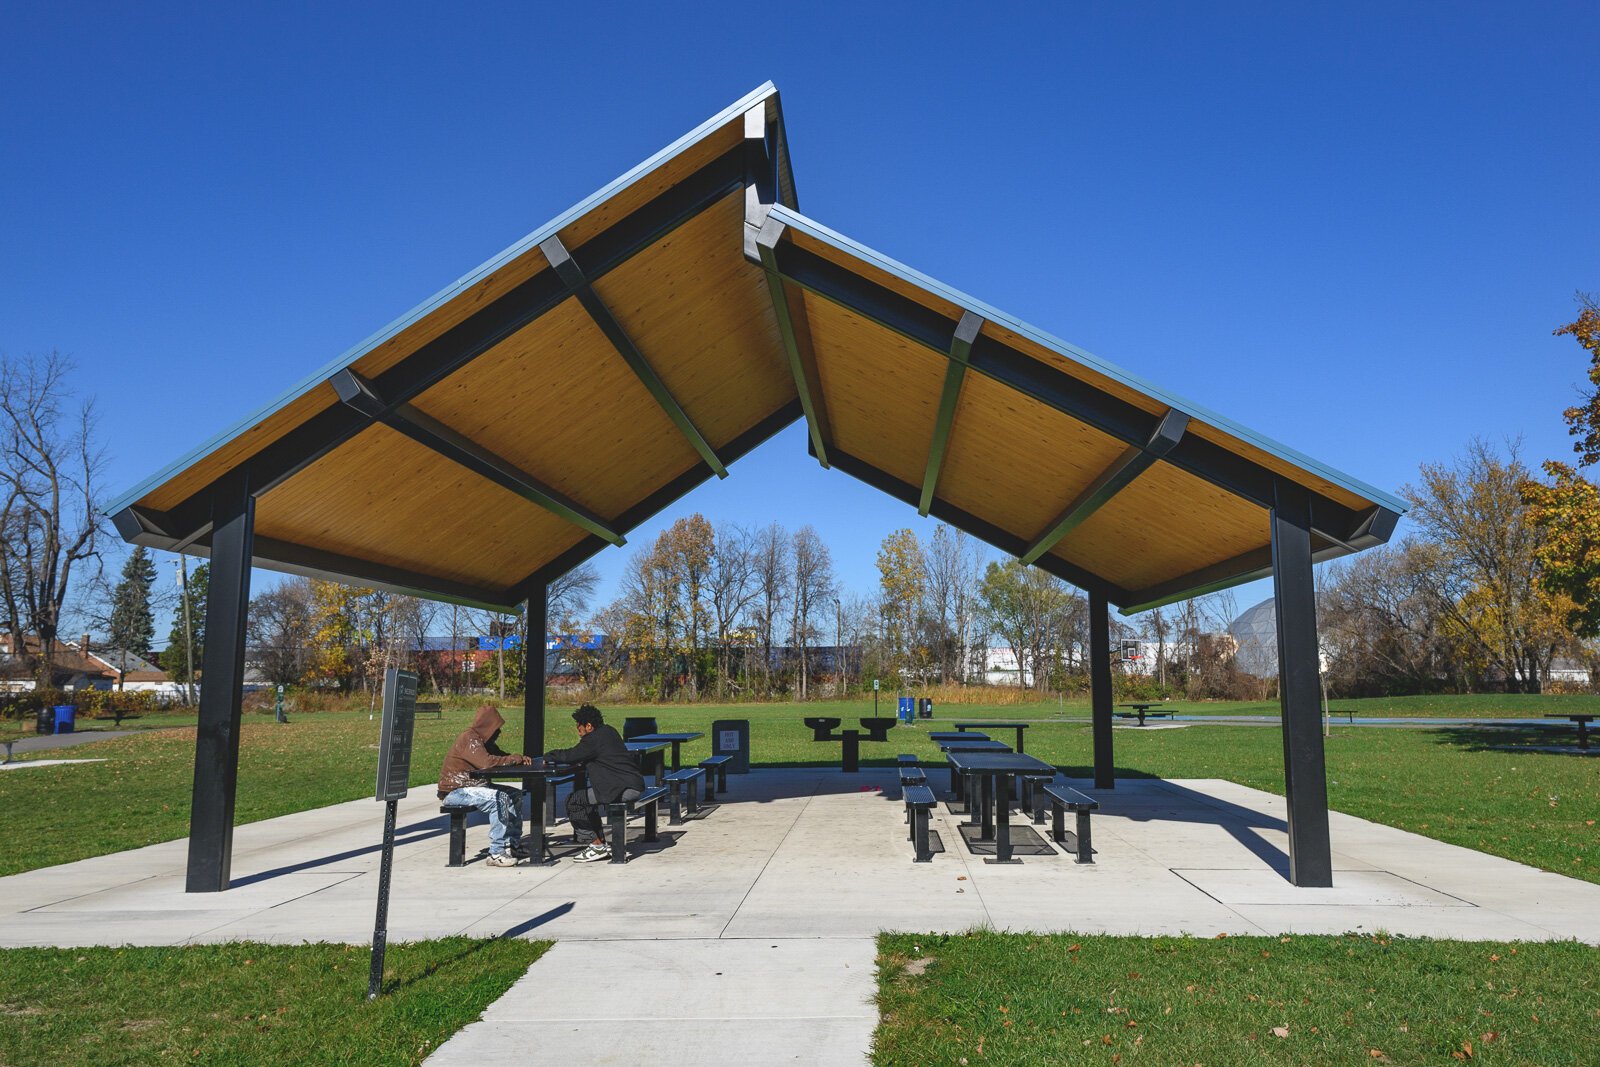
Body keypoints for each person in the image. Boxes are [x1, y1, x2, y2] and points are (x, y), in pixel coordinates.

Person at [543, 704, 645, 863]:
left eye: (579, 727)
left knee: (574, 801)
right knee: (587, 801)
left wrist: (548, 756)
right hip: (631, 784)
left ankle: (596, 845)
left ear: (589, 726)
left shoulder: (593, 739)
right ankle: (600, 842)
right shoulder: (609, 731)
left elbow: (570, 755)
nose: (578, 731)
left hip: (622, 788)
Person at [438, 704, 533, 867]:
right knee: (499, 799)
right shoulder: (470, 738)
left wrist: (519, 759)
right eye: (496, 728)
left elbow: (500, 756)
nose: (499, 732)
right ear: (487, 726)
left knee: (515, 795)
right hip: (456, 791)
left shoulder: (483, 741)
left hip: (475, 788)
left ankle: (512, 844)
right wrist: (514, 759)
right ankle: (496, 852)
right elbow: (486, 763)